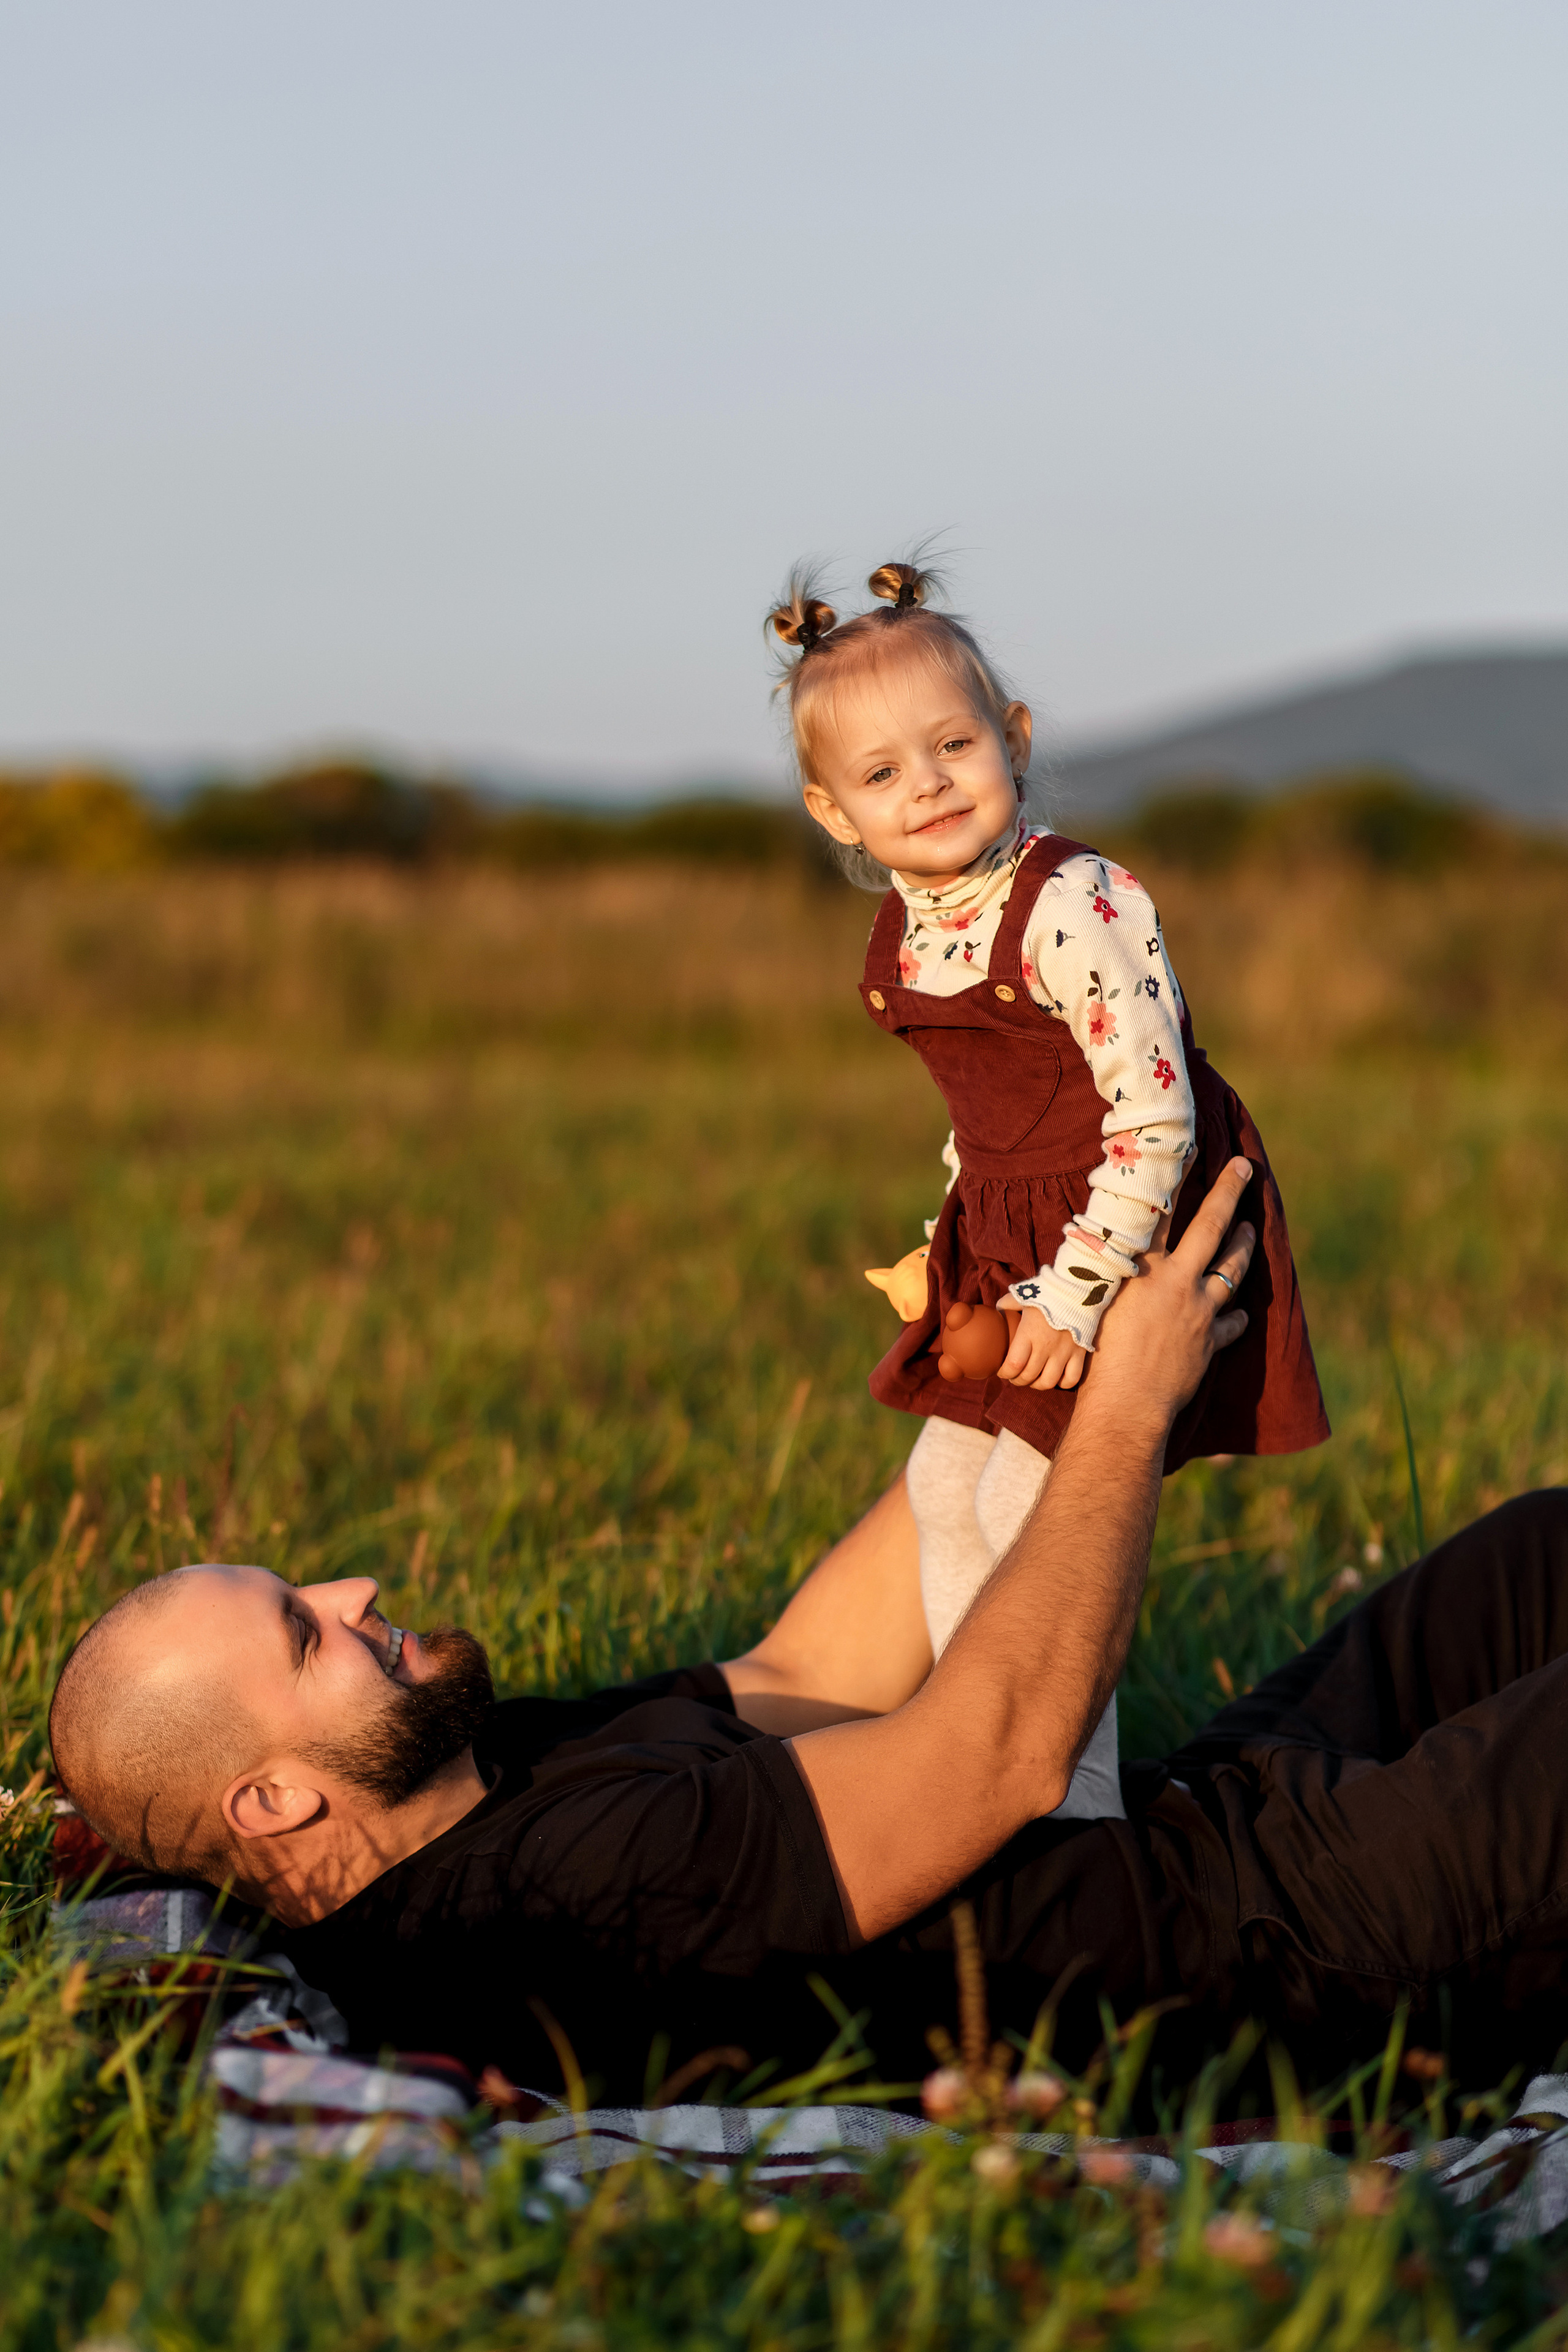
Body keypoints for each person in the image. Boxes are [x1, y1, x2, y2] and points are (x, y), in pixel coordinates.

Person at [49, 1166, 1568, 2111]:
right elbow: (1001, 1755)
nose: (358, 1593)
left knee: (1542, 1551)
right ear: (273, 1804)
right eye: (305, 1634)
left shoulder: (481, 1774)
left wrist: (1006, 1374)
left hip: (1206, 1812)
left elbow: (801, 1676)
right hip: (1292, 1944)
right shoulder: (549, 1905)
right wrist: (1124, 1411)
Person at [767, 558, 1329, 1818]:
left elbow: (1153, 1115)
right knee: (940, 1491)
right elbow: (987, 1115)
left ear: (1010, 740)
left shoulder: (1073, 902)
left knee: (1038, 1511)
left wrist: (1072, 1303)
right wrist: (953, 1241)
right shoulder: (917, 923)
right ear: (832, 813)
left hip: (1130, 1224)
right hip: (1018, 1225)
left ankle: (1063, 1807)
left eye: (952, 744)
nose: (924, 784)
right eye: (879, 774)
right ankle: (980, 1753)